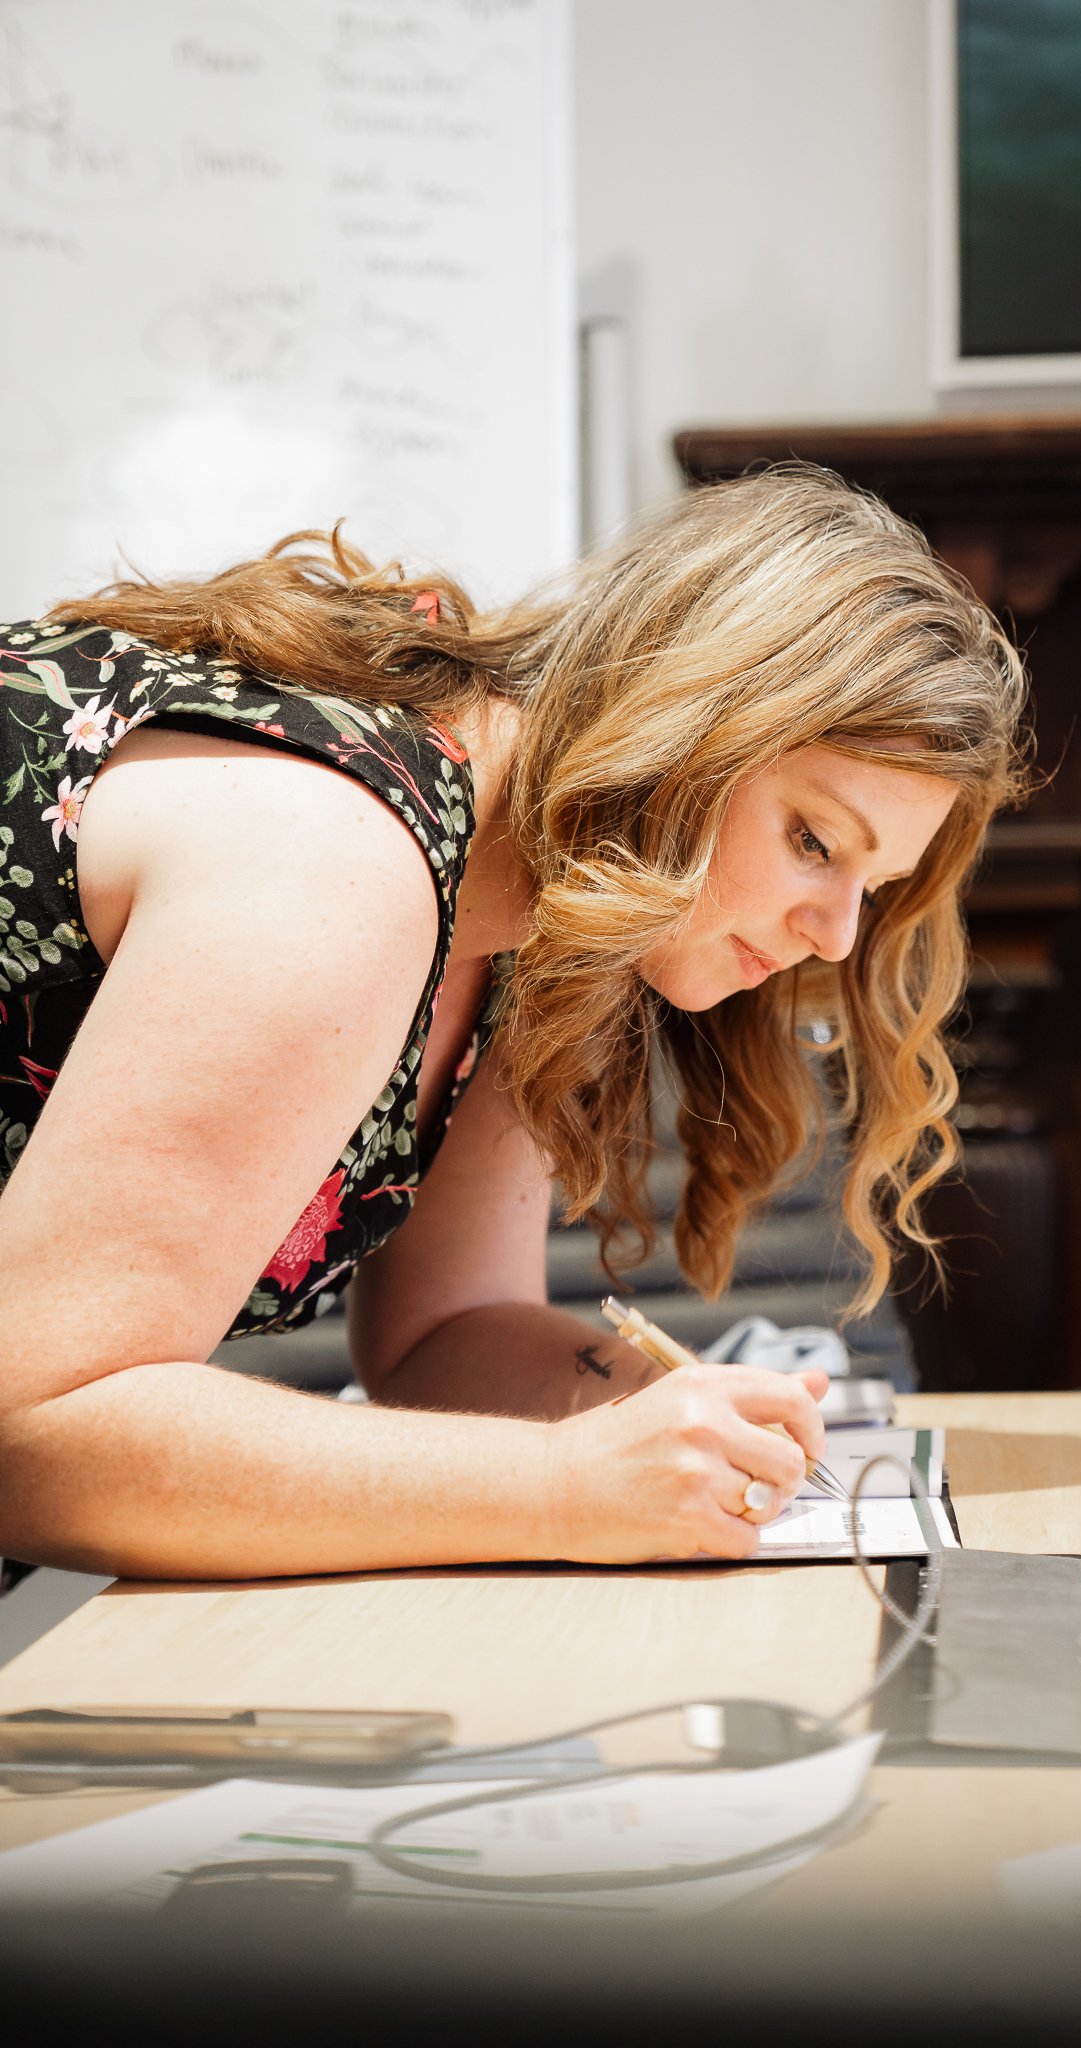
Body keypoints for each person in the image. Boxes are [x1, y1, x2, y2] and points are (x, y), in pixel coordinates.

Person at [0, 465, 1026, 1579]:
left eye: (872, 886)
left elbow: (446, 1333)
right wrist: (563, 1490)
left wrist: (666, 1422)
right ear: (683, 726)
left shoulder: (526, 911)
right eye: (814, 840)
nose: (835, 936)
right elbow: (32, 1429)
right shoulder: (338, 862)